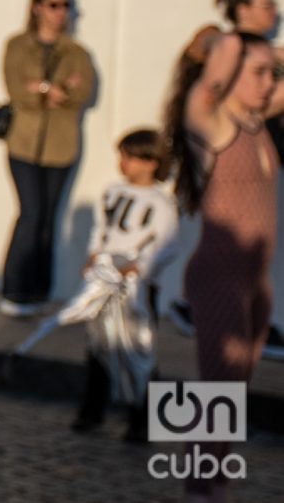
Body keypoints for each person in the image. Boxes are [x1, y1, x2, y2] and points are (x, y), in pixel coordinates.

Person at [163, 27, 284, 502]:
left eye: (272, 75)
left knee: (233, 391)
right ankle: (197, 489)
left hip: (255, 281)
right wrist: (236, 45)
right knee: (214, 391)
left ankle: (216, 484)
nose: (268, 82)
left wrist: (265, 54)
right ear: (227, 76)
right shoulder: (209, 121)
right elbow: (213, 76)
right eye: (258, 74)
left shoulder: (256, 121)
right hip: (218, 278)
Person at [69, 128, 178, 442]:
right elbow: (102, 229)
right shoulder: (113, 192)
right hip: (106, 283)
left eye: (129, 157)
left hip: (137, 288)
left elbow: (166, 245)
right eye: (122, 156)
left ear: (151, 162)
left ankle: (142, 420)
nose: (123, 163)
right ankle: (92, 411)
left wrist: (139, 268)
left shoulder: (162, 203)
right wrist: (94, 256)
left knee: (138, 350)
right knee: (99, 347)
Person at [0, 0, 95, 317]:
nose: (60, 12)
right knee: (30, 213)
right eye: (53, 4)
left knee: (50, 219)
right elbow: (16, 88)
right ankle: (14, 290)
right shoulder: (17, 45)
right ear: (37, 6)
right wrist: (48, 90)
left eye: (66, 5)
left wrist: (45, 89)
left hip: (62, 147)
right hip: (23, 145)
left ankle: (39, 292)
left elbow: (83, 93)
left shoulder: (77, 52)